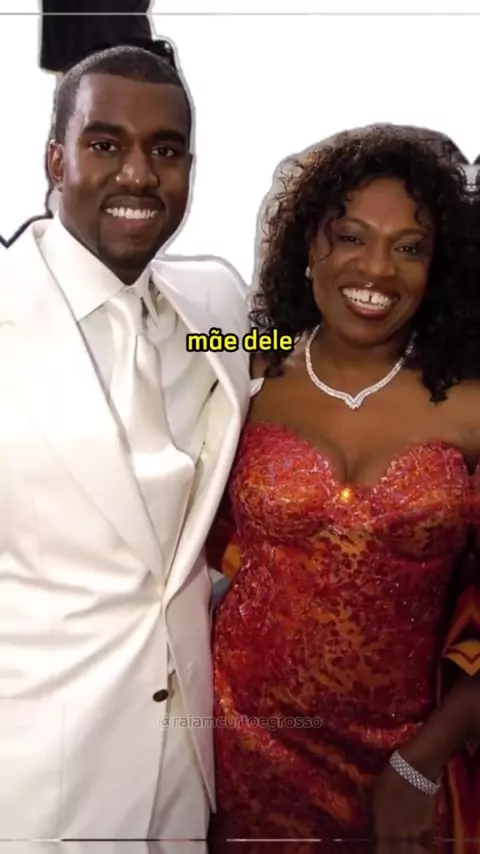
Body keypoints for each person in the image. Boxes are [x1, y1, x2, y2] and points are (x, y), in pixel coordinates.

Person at [0, 44, 250, 840]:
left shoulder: (215, 312)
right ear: (55, 160)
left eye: (165, 151)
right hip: (33, 777)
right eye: (105, 144)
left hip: (183, 773)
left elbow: (289, 365)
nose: (139, 175)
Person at [208, 127, 480, 843]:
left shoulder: (468, 405)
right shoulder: (250, 365)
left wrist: (425, 760)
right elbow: (159, 344)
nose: (378, 269)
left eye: (410, 248)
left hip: (409, 758)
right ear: (308, 248)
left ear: (438, 268)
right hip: (239, 740)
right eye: (350, 238)